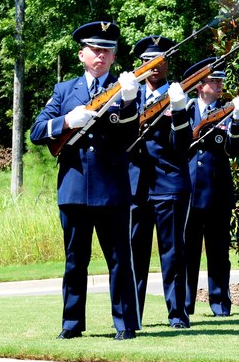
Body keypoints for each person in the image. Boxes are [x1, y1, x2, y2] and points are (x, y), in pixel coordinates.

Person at [30, 21, 142, 340]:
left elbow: (131, 135)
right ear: (82, 54)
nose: (101, 55)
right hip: (75, 188)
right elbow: (37, 131)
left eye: (107, 50)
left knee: (120, 260)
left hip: (112, 190)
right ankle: (71, 324)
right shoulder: (65, 91)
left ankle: (124, 323)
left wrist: (132, 101)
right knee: (75, 262)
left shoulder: (122, 91)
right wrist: (66, 120)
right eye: (95, 49)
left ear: (113, 57)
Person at [128, 35, 192, 328]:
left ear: (168, 64)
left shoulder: (181, 98)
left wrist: (178, 109)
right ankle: (132, 316)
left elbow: (182, 146)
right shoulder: (129, 96)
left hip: (169, 183)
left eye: (160, 61)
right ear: (140, 66)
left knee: (173, 252)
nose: (155, 67)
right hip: (135, 185)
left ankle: (177, 314)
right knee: (134, 253)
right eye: (148, 62)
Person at [183, 58, 239, 317]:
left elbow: (234, 149)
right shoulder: (184, 109)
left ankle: (220, 304)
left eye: (221, 80)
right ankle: (184, 306)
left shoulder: (229, 109)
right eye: (214, 80)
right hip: (187, 192)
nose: (220, 85)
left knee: (219, 254)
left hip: (217, 193)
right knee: (186, 254)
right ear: (199, 86)